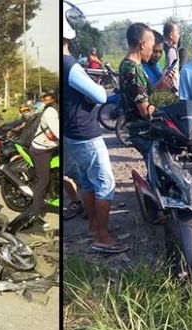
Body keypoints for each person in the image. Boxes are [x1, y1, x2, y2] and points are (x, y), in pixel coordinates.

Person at [63, 0, 128, 254]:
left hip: (72, 131)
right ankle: (102, 236)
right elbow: (101, 96)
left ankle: (93, 226)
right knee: (105, 183)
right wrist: (98, 90)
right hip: (85, 133)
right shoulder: (70, 64)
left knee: (88, 183)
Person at [119, 23, 175, 158]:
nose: (152, 51)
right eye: (151, 46)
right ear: (143, 44)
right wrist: (164, 94)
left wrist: (162, 85)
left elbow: (143, 95)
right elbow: (145, 111)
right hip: (144, 132)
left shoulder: (125, 64)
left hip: (137, 129)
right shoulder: (135, 70)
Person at [163, 20, 181, 89]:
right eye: (177, 33)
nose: (179, 36)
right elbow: (170, 73)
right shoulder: (171, 51)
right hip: (171, 90)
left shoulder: (163, 48)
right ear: (171, 35)